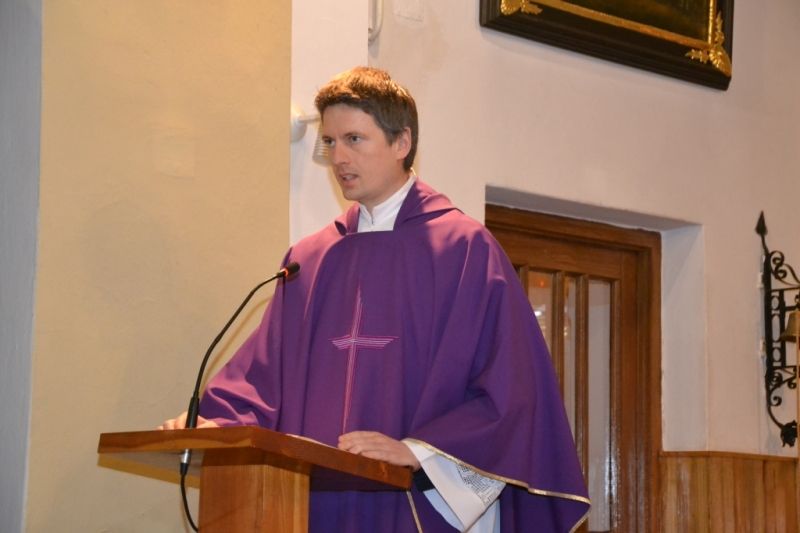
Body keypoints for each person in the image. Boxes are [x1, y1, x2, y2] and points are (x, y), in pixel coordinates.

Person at [161, 66, 589, 532]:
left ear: (402, 142)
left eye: (354, 139)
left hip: (415, 502)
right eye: (330, 142)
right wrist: (218, 423)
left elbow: (511, 387)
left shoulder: (463, 250)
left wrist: (418, 450)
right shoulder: (309, 260)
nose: (338, 157)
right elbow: (264, 373)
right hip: (312, 507)